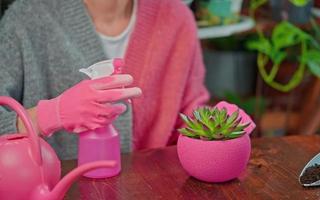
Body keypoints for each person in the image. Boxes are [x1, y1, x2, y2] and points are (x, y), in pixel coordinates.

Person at [0, 0, 255, 160]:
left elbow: (186, 118)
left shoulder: (177, 19)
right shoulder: (25, 19)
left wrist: (217, 126)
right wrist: (48, 115)